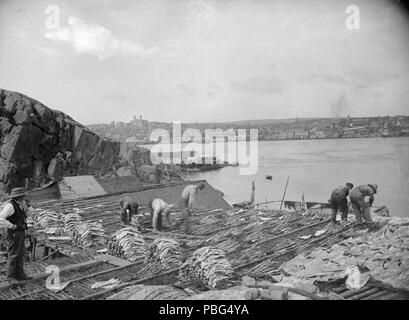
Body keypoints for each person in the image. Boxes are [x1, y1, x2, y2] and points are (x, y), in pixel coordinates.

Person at [0, 187, 34, 282]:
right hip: (14, 233)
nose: (24, 197)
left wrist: (29, 205)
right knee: (13, 254)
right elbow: (1, 219)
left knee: (20, 253)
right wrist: (12, 226)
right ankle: (10, 277)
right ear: (19, 196)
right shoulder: (10, 206)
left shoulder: (20, 205)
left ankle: (20, 274)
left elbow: (28, 214)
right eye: (23, 196)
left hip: (20, 232)